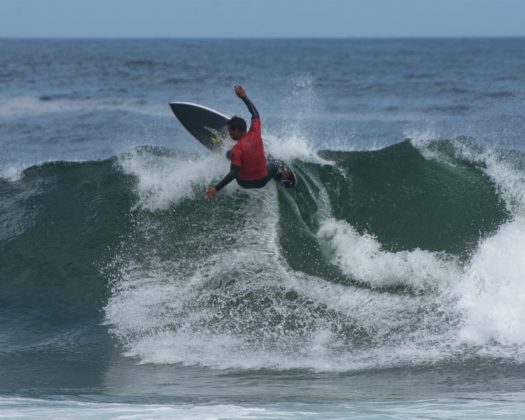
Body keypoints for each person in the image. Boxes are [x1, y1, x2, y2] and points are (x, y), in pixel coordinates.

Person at [203, 85, 290, 200]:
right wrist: (244, 97)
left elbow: (233, 174)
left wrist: (216, 188)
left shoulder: (237, 150)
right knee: (276, 162)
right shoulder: (255, 132)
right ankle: (283, 177)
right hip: (262, 181)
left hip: (243, 183)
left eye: (230, 131)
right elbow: (255, 114)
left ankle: (228, 155)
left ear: (237, 130)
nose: (229, 134)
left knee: (231, 154)